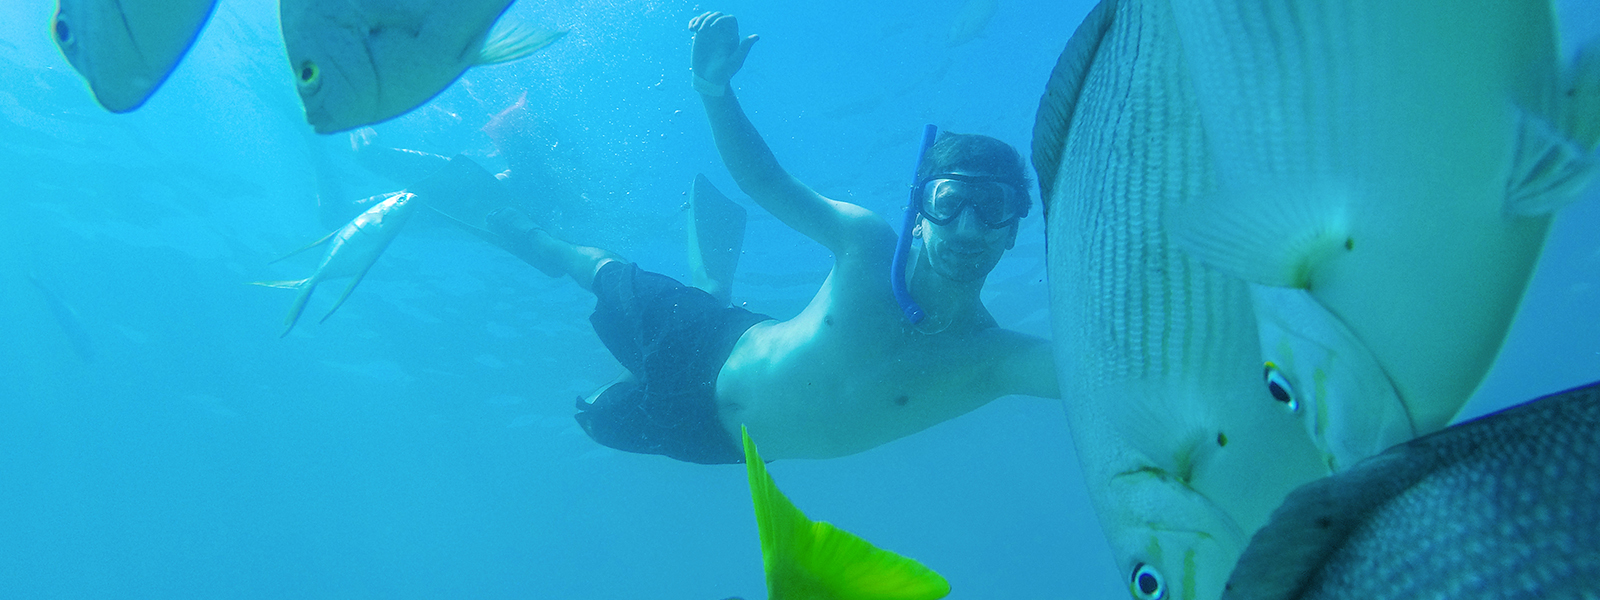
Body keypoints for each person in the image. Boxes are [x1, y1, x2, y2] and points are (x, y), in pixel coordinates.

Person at [481, 11, 1059, 464]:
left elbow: (1102, 380)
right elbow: (765, 180)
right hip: (701, 339)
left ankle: (710, 281)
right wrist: (714, 89)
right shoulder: (867, 244)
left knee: (594, 419)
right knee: (605, 276)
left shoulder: (993, 358)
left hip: (717, 444)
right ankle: (541, 242)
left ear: (1014, 231)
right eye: (949, 201)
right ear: (920, 210)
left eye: (992, 208)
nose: (967, 226)